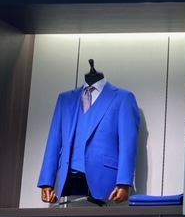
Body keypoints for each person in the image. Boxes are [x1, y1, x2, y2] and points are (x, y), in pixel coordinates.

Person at [38, 60, 140, 205]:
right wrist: (47, 182)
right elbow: (54, 141)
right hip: (69, 179)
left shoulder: (123, 97)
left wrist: (124, 183)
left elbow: (128, 144)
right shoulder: (65, 99)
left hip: (105, 179)